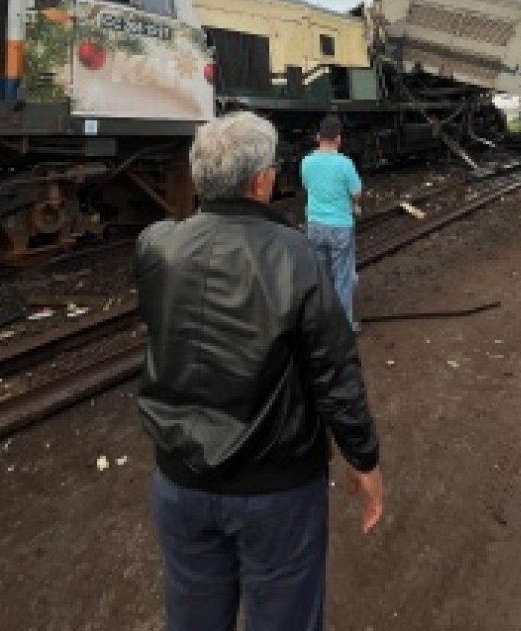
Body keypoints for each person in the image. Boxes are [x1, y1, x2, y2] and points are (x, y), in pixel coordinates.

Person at [135, 111, 382, 631]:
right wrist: (363, 457)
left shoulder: (157, 247)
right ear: (261, 179)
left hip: (179, 481)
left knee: (193, 618)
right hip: (276, 487)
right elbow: (335, 372)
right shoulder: (295, 255)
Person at [301, 114, 363, 331]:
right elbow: (356, 193)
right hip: (339, 226)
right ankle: (343, 327)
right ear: (338, 139)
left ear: (319, 137)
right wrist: (353, 203)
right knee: (343, 278)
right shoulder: (345, 164)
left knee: (321, 277)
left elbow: (308, 187)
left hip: (314, 225)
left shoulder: (306, 161)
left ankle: (322, 324)